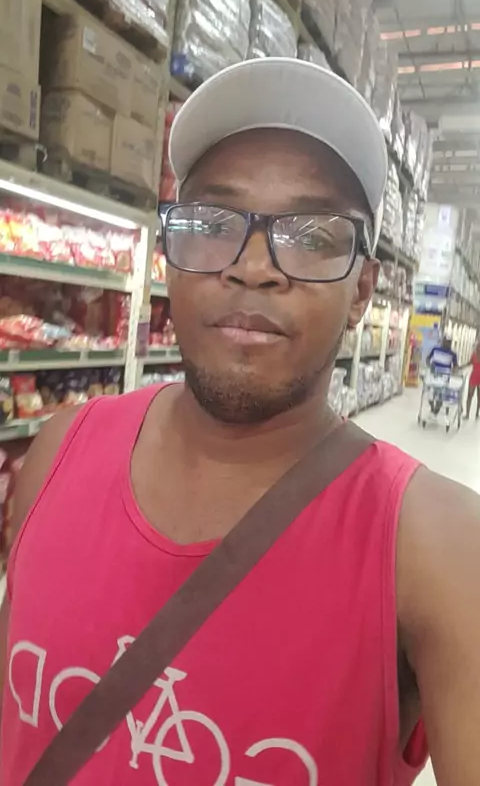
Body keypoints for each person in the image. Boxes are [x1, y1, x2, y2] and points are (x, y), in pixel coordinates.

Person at [1, 58, 480, 786]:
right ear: (169, 257)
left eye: (313, 235)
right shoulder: (58, 454)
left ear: (362, 290)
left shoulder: (439, 551)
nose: (254, 267)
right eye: (212, 224)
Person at [426, 335, 458, 415]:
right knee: (430, 394)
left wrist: (454, 370)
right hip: (433, 375)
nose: (448, 344)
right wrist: (429, 365)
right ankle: (432, 407)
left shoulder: (453, 354)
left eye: (449, 342)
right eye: (446, 341)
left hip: (444, 377)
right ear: (443, 341)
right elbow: (428, 358)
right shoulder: (435, 349)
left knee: (440, 396)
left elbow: (455, 366)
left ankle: (435, 411)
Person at [466, 338, 480, 419]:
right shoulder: (474, 355)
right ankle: (467, 414)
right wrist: (460, 367)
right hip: (473, 377)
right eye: (478, 346)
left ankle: (477, 413)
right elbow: (469, 363)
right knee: (469, 395)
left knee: (479, 397)